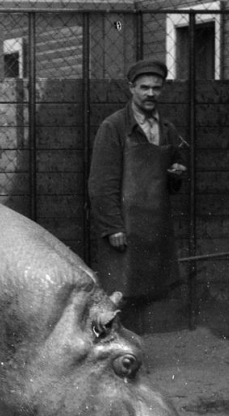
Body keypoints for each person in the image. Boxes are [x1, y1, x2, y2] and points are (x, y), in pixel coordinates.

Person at [88, 58, 187, 332]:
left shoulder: (167, 129)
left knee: (151, 293)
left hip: (155, 229)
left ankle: (140, 346)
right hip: (124, 229)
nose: (150, 93)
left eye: (156, 88)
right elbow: (101, 183)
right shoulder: (114, 127)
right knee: (119, 295)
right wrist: (112, 226)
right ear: (131, 88)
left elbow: (171, 185)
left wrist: (176, 175)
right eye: (144, 87)